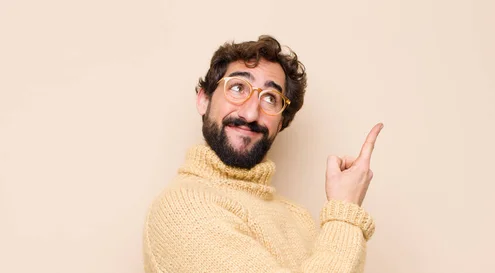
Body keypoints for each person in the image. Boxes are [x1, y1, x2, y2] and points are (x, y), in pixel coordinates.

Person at [142, 35, 384, 273]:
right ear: (204, 100)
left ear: (281, 123)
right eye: (237, 88)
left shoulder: (298, 218)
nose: (250, 113)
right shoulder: (183, 207)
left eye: (270, 98)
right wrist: (344, 211)